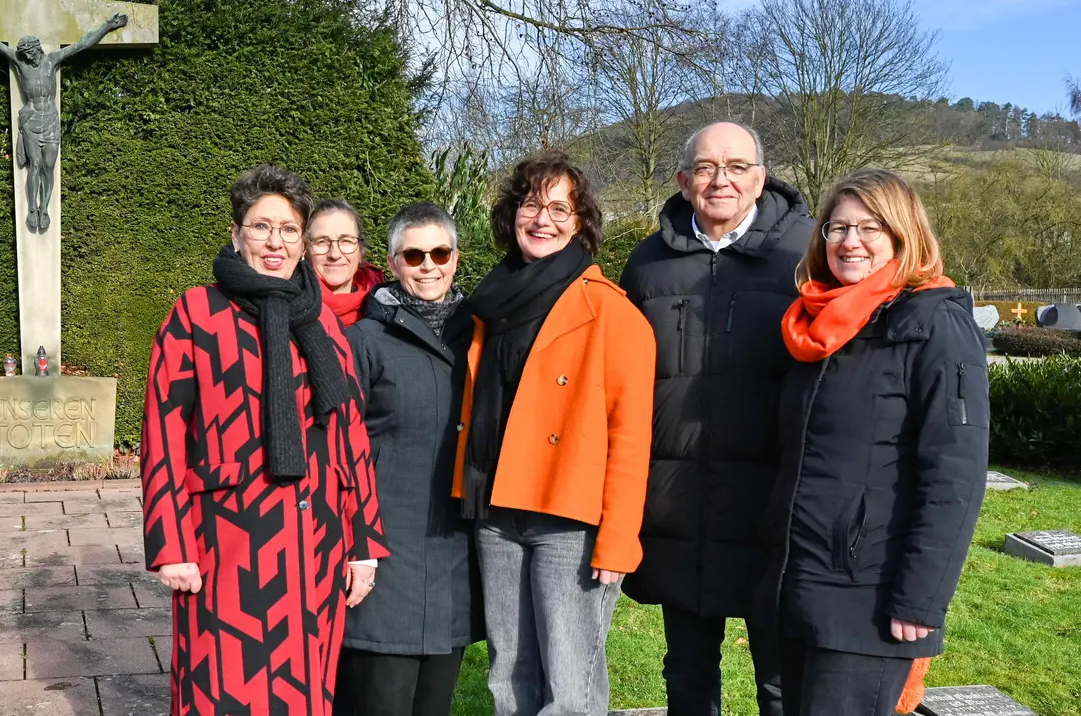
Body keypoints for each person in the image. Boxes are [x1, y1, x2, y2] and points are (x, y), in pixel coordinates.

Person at [140, 165, 388, 716]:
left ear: (302, 241)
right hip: (225, 538)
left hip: (316, 543)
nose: (275, 241)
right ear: (236, 234)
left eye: (289, 229)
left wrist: (364, 541)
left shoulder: (321, 321)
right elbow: (163, 431)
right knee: (219, 688)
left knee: (305, 691)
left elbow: (350, 436)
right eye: (261, 226)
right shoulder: (196, 314)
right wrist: (169, 543)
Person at [756, 169, 989, 716]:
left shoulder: (935, 325)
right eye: (837, 228)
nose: (850, 242)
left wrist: (920, 600)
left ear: (903, 234)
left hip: (873, 593)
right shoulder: (817, 326)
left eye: (869, 227)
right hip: (799, 579)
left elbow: (953, 475)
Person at [619, 122, 813, 716]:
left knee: (780, 682)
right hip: (680, 502)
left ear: (760, 178)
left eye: (735, 166)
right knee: (687, 673)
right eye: (705, 167)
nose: (720, 179)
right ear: (683, 181)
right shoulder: (649, 263)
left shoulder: (805, 256)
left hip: (772, 503)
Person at [453, 150, 655, 716]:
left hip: (571, 520)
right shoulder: (486, 303)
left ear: (582, 223)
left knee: (570, 688)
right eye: (531, 204)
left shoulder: (613, 314)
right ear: (511, 214)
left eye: (560, 209)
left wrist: (618, 538)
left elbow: (631, 437)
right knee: (507, 675)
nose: (543, 219)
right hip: (494, 514)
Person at [338, 202, 482, 716]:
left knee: (434, 704)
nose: (428, 265)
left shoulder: (481, 335)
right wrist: (357, 544)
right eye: (413, 254)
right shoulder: (364, 341)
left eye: (439, 252)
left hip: (454, 554)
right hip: (385, 553)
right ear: (393, 262)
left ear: (456, 258)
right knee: (381, 698)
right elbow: (339, 449)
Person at [0, 0, 126, 232]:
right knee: (35, 166)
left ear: (37, 49)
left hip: (50, 120)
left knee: (49, 166)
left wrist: (108, 26)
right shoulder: (20, 63)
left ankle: (45, 208)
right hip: (31, 121)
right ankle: (32, 209)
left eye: (30, 53)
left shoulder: (51, 60)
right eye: (25, 55)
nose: (28, 58)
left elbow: (82, 44)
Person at [308, 199, 387, 327]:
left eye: (346, 241)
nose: (334, 254)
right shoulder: (290, 307)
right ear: (306, 251)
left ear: (361, 251)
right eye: (322, 241)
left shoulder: (386, 307)